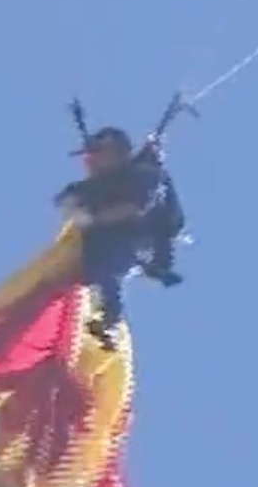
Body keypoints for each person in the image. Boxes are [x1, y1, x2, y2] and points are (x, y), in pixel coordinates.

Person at [55, 127, 184, 350]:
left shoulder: (143, 175)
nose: (90, 161)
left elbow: (134, 208)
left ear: (118, 153)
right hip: (103, 246)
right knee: (95, 266)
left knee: (109, 267)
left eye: (98, 153)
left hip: (134, 238)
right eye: (89, 156)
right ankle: (103, 317)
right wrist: (75, 208)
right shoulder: (89, 187)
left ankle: (110, 319)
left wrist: (93, 218)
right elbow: (66, 203)